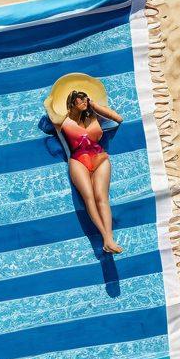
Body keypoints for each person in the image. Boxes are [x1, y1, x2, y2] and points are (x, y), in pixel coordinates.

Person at [54, 89, 125, 254]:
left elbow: (118, 119)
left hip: (99, 157)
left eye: (85, 98)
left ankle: (109, 239)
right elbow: (50, 115)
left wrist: (93, 105)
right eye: (81, 100)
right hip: (78, 160)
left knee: (102, 198)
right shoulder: (63, 122)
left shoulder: (93, 117)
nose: (84, 101)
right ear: (72, 103)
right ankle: (105, 237)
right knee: (89, 198)